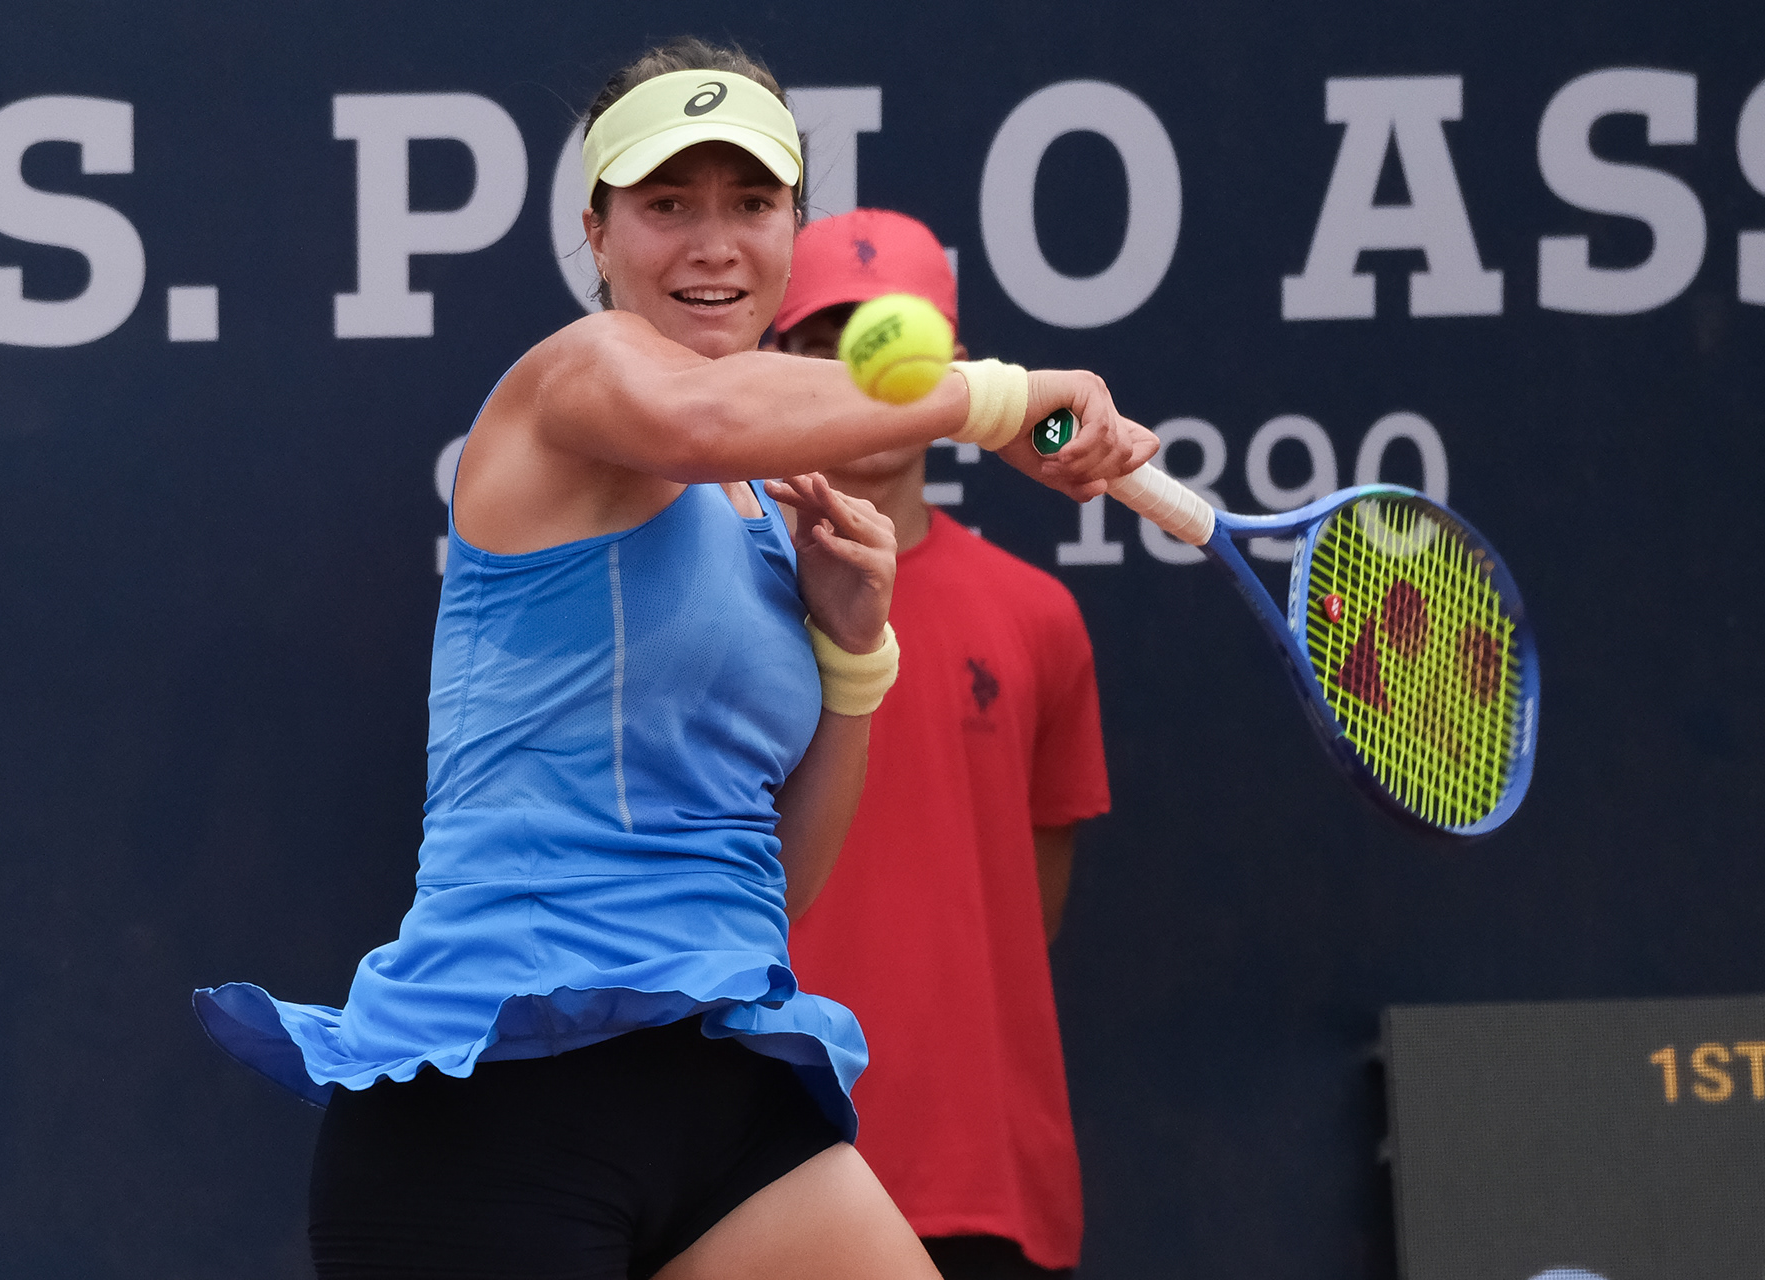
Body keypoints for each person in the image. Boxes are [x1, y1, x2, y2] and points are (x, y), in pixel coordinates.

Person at [192, 36, 1156, 1280]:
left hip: (719, 1087)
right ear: (597, 233)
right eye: (667, 204)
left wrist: (854, 653)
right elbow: (701, 413)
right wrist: (999, 397)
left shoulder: (770, 497)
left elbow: (777, 884)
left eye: (750, 203)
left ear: (790, 230)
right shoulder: (575, 378)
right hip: (492, 1108)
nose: (713, 242)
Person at [776, 210, 1110, 1280]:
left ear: (954, 372)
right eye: (825, 341)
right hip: (754, 1174)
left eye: (889, 335)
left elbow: (1034, 902)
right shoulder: (713, 603)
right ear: (771, 365)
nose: (858, 368)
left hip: (984, 1190)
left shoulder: (1040, 615)